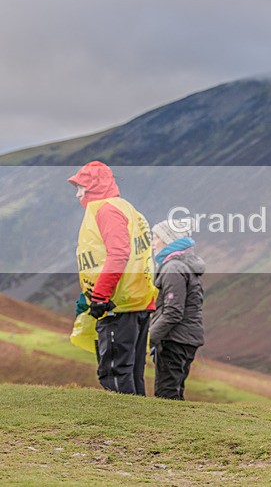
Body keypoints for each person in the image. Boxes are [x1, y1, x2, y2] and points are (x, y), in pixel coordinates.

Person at [68, 161, 157, 395]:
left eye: (81, 188)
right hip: (137, 299)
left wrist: (100, 296)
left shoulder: (106, 210)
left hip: (118, 303)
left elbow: (118, 254)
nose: (78, 194)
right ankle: (139, 417)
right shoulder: (127, 208)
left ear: (94, 186)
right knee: (132, 370)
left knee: (115, 371)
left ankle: (125, 419)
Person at [149, 218, 205, 400]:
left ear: (167, 240)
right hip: (186, 338)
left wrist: (149, 338)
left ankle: (168, 420)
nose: (152, 243)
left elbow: (173, 312)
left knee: (167, 392)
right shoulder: (184, 265)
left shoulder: (173, 267)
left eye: (155, 237)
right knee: (175, 389)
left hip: (174, 339)